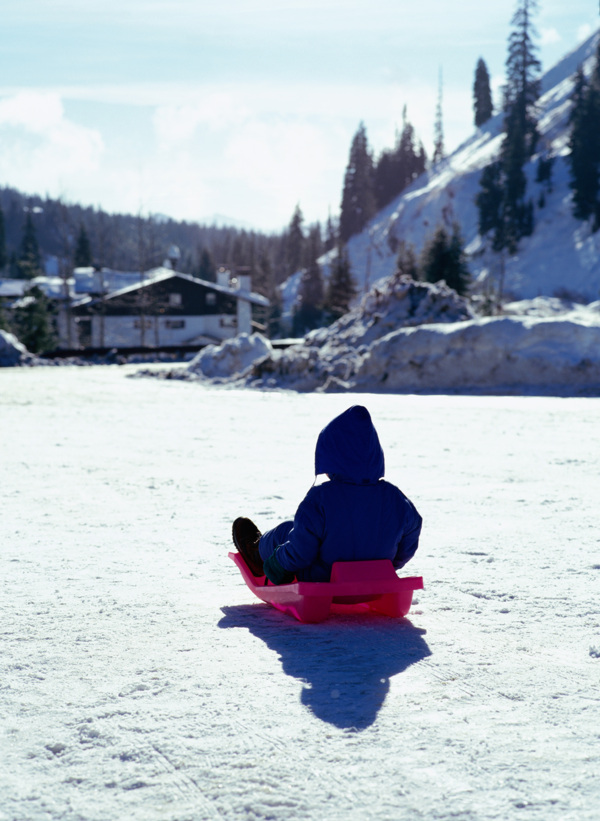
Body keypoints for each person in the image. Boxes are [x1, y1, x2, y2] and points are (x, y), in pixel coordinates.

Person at [232, 405, 422, 585]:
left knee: (286, 531)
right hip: (375, 580)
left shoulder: (320, 499)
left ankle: (258, 553)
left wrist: (278, 567)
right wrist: (388, 566)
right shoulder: (396, 498)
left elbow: (301, 552)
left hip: (324, 581)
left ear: (330, 456)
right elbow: (414, 527)